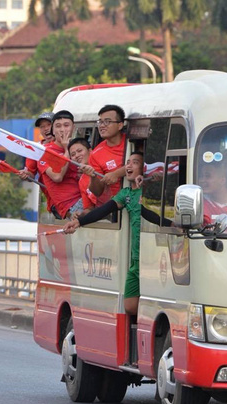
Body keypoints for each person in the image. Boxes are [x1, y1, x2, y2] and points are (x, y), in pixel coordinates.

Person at [64, 151, 144, 316]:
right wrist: (79, 222)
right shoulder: (125, 194)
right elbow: (102, 211)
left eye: (134, 162)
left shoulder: (148, 193)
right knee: (129, 305)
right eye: (127, 162)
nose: (129, 166)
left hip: (149, 257)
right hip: (135, 257)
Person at [38, 110, 82, 219]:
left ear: (74, 127)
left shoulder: (79, 147)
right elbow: (57, 176)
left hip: (86, 197)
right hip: (71, 206)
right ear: (53, 129)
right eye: (58, 126)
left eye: (66, 125)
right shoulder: (44, 152)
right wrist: (67, 149)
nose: (62, 130)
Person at [88, 105, 127, 205]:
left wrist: (116, 174)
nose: (102, 126)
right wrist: (92, 177)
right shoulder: (96, 154)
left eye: (107, 121)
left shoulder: (132, 142)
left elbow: (141, 164)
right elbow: (97, 191)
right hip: (118, 207)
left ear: (120, 125)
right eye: (100, 122)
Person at [67, 137, 97, 218]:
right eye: (73, 155)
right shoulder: (82, 181)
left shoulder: (101, 167)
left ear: (90, 151)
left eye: (79, 151)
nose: (76, 156)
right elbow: (89, 208)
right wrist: (79, 214)